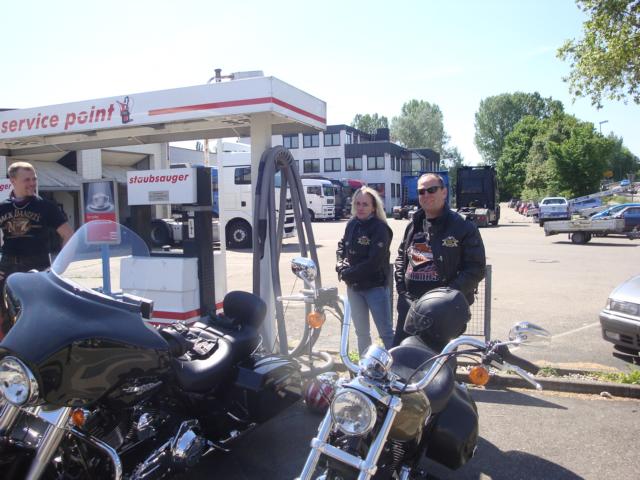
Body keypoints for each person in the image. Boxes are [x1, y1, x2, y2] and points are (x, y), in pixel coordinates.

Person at [393, 173, 486, 346]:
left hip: (443, 311)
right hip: (410, 307)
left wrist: (444, 298)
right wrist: (401, 290)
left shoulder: (462, 226)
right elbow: (401, 258)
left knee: (439, 359)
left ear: (444, 192)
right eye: (421, 191)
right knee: (402, 354)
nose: (426, 195)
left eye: (432, 190)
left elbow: (476, 268)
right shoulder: (413, 224)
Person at [0, 162, 74, 337]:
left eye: (34, 179)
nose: (32, 183)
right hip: (7, 266)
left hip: (37, 266)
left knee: (39, 313)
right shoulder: (3, 207)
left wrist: (58, 267)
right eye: (27, 180)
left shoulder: (46, 206)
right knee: (4, 315)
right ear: (13, 181)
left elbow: (68, 235)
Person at [336, 186, 394, 354]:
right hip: (354, 288)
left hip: (375, 288)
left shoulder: (380, 228)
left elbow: (374, 262)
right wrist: (340, 263)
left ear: (374, 207)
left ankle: (396, 366)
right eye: (358, 203)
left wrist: (347, 273)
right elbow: (342, 246)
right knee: (361, 333)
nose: (360, 208)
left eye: (365, 204)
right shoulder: (352, 224)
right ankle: (364, 365)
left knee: (386, 333)